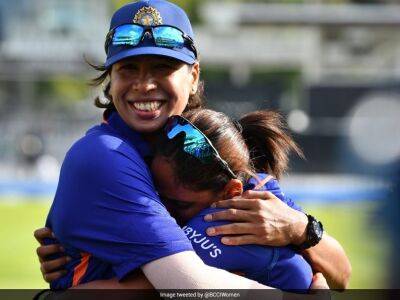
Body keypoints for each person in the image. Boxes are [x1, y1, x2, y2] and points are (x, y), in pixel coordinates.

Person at [34, 0, 349, 291]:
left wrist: (300, 229)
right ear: (111, 79)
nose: (144, 84)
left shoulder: (206, 146)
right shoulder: (106, 156)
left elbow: (341, 275)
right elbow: (187, 286)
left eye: (162, 67)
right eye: (128, 69)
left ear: (194, 75)